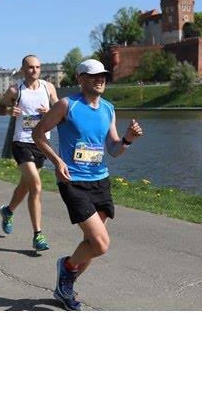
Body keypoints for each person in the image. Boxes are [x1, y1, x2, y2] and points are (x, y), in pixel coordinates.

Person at [32, 59, 144, 310]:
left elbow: (113, 149)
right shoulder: (67, 105)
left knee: (92, 244)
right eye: (94, 75)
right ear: (80, 78)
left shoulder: (108, 109)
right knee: (101, 244)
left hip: (100, 181)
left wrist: (127, 139)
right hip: (73, 181)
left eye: (103, 75)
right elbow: (38, 134)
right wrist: (57, 161)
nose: (100, 79)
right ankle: (67, 267)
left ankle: (65, 288)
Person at [0, 55, 58, 251]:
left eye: (37, 67)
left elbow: (59, 109)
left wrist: (50, 111)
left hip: (41, 143)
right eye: (30, 67)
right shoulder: (15, 90)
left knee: (25, 186)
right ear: (23, 69)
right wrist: (8, 111)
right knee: (36, 186)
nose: (34, 70)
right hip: (21, 142)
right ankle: (38, 235)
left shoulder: (48, 88)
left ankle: (8, 211)